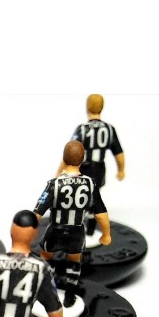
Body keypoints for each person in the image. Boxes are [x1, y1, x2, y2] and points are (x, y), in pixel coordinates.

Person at [35, 140, 111, 306]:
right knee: (75, 260)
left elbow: (38, 211)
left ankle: (49, 291)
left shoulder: (54, 184)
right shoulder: (90, 184)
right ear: (83, 159)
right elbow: (100, 213)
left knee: (46, 256)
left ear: (63, 159)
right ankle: (70, 295)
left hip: (55, 229)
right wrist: (106, 234)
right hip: (77, 231)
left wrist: (28, 232)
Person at [58, 94, 125, 235]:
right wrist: (121, 169)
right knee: (94, 198)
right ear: (102, 108)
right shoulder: (109, 129)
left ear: (87, 107)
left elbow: (70, 151)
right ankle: (89, 231)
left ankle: (78, 229)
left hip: (85, 168)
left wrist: (60, 172)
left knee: (79, 197)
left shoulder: (83, 129)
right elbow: (118, 152)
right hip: (99, 169)